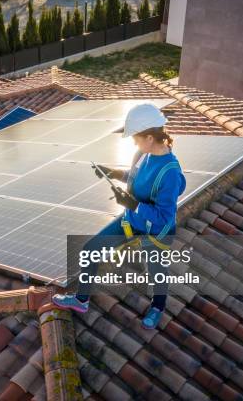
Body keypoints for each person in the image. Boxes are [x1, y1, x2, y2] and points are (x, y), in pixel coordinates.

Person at [52, 103, 186, 330]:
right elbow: (134, 177)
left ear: (150, 137)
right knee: (91, 250)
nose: (134, 141)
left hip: (156, 231)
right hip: (132, 221)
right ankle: (81, 300)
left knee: (156, 272)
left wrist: (132, 204)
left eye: (136, 137)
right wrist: (113, 172)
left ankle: (157, 308)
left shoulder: (170, 173)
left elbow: (163, 217)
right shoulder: (142, 154)